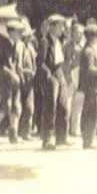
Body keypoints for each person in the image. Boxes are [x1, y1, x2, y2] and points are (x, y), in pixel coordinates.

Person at [35, 15, 67, 149]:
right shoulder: (45, 41)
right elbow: (40, 62)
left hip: (59, 73)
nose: (62, 29)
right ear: (52, 27)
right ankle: (47, 139)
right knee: (50, 107)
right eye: (59, 26)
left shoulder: (58, 41)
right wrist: (48, 75)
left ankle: (61, 138)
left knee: (63, 106)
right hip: (51, 75)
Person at [62, 20, 85, 139]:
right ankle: (64, 130)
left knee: (79, 103)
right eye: (77, 32)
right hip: (69, 76)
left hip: (81, 76)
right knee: (68, 103)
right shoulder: (66, 45)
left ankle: (75, 129)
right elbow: (62, 61)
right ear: (72, 33)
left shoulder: (85, 45)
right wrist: (69, 70)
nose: (79, 35)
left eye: (81, 33)